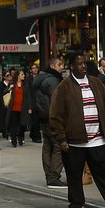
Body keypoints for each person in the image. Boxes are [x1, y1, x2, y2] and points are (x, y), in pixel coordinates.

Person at [48, 51, 105, 208]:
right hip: (74, 142)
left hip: (97, 140)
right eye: (80, 63)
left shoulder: (96, 83)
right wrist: (61, 138)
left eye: (85, 63)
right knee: (74, 175)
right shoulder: (64, 87)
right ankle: (76, 204)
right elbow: (55, 116)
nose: (83, 66)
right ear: (71, 66)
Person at [34, 54, 66, 189]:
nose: (62, 68)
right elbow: (55, 101)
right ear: (53, 66)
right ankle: (53, 176)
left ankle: (49, 175)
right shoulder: (53, 81)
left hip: (43, 117)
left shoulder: (40, 79)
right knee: (59, 146)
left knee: (47, 146)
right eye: (60, 65)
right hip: (52, 118)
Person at [6, 69, 28, 147]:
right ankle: (14, 140)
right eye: (22, 74)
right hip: (13, 108)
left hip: (23, 108)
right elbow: (4, 93)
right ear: (18, 75)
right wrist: (9, 88)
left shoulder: (25, 84)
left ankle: (20, 137)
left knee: (23, 124)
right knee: (13, 125)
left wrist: (29, 107)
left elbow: (28, 96)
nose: (23, 76)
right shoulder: (12, 84)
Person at [26, 61, 42, 142]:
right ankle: (36, 136)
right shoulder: (29, 79)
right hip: (33, 101)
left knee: (38, 119)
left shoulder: (41, 77)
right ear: (30, 70)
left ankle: (33, 133)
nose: (35, 69)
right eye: (33, 68)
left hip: (40, 100)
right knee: (34, 119)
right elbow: (28, 92)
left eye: (36, 68)